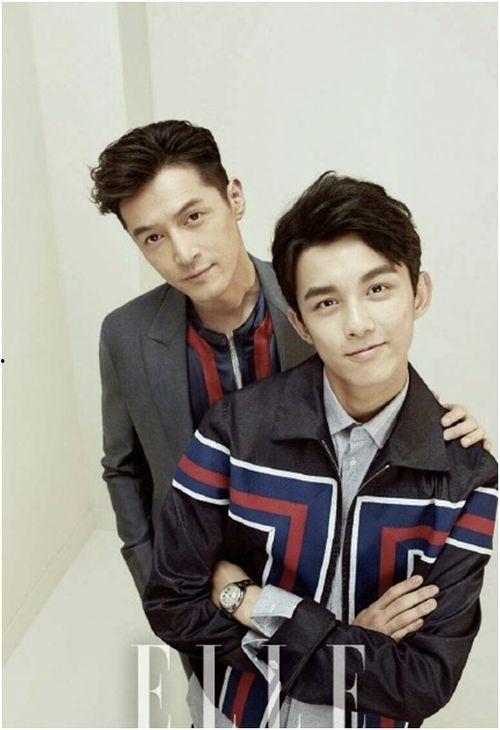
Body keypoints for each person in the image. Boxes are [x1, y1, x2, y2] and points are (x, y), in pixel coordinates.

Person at [142, 171, 498, 728]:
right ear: (301, 324)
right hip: (229, 716)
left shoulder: (466, 477)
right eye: (327, 302)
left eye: (377, 289)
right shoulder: (234, 430)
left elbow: (423, 681)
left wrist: (253, 602)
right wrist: (348, 641)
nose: (358, 324)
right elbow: (172, 603)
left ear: (419, 293)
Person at [91, 120, 488, 601]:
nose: (184, 252)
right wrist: (154, 579)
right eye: (152, 238)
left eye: (193, 216)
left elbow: (373, 384)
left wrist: (438, 431)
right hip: (196, 581)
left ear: (234, 197)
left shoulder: (319, 301)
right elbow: (124, 467)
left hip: (308, 582)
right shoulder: (125, 334)